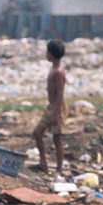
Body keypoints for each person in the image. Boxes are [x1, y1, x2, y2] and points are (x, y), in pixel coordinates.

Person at [33, 39, 68, 173]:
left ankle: (59, 169)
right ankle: (43, 162)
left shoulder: (58, 72)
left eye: (47, 52)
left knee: (57, 139)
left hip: (57, 107)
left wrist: (55, 113)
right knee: (37, 133)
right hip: (51, 106)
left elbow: (60, 93)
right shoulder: (54, 69)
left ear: (52, 54)